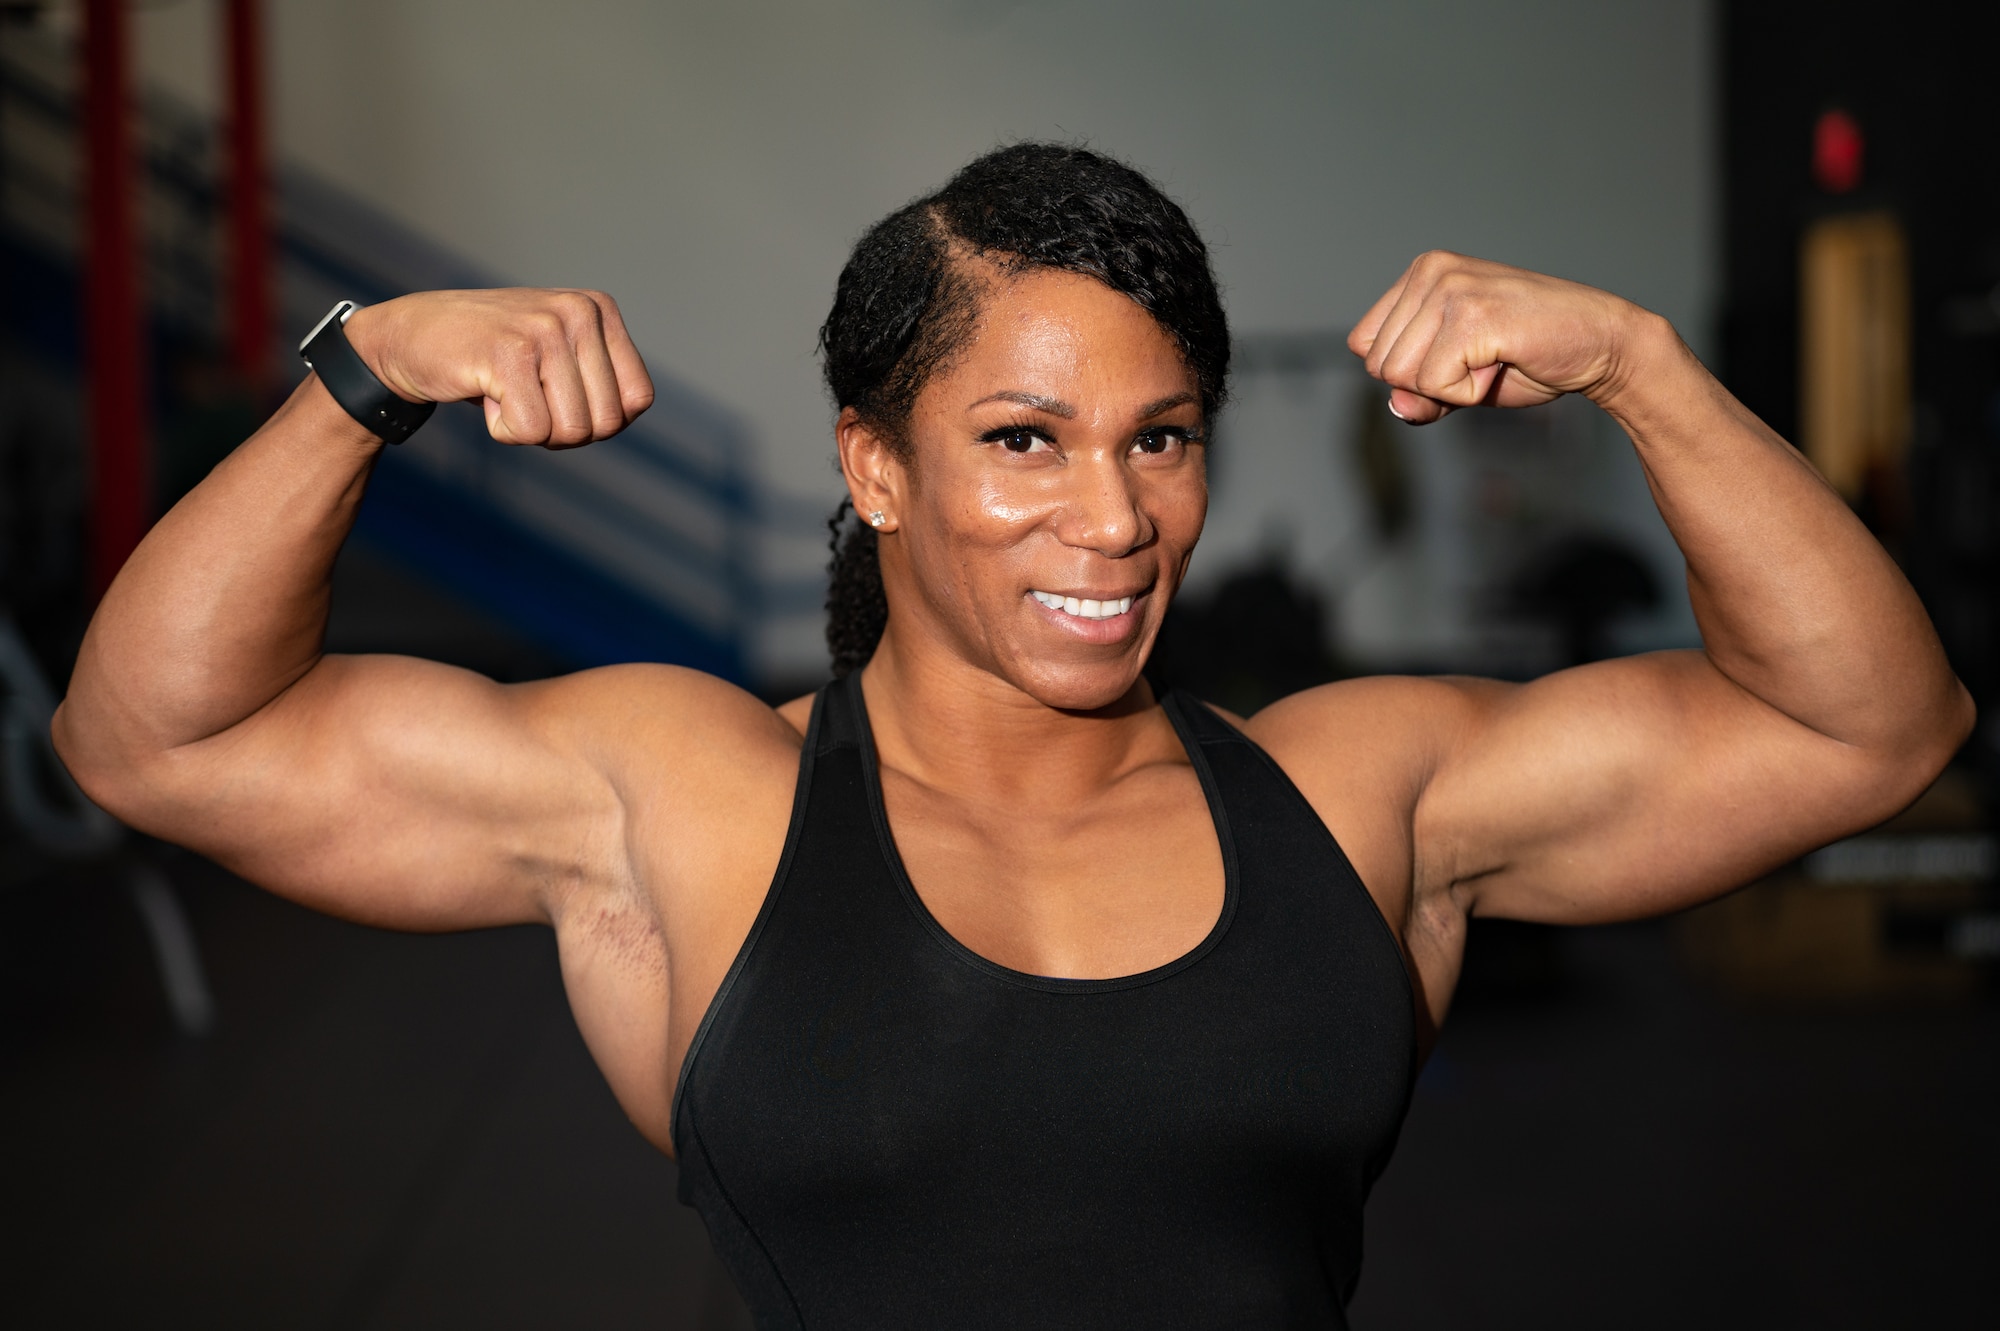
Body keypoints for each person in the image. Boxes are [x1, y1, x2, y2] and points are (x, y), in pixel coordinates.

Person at [53, 144, 1971, 1327]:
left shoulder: (1359, 791)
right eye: (1026, 441)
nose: (1115, 519)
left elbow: (1869, 730)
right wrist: (361, 379)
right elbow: (156, 743)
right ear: (874, 467)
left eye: (1160, 438)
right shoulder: (687, 793)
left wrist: (1643, 363)